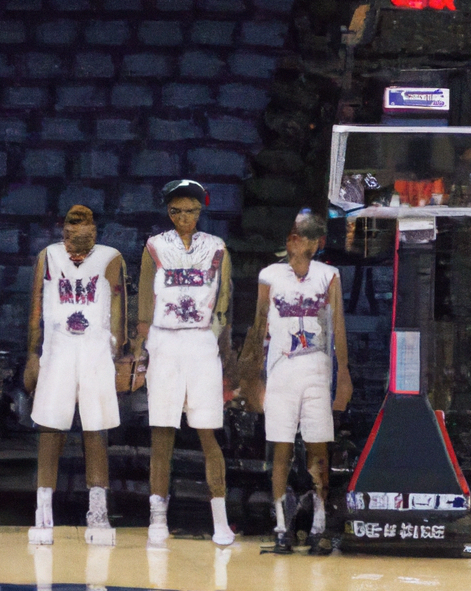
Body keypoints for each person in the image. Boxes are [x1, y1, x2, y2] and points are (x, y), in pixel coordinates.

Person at [238, 212, 352, 553]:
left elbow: (339, 329)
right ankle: (281, 527)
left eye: (306, 236)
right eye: (296, 235)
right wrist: (252, 377)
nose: (298, 241)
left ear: (317, 243)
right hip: (281, 370)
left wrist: (343, 374)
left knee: (318, 448)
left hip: (318, 369)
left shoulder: (329, 275)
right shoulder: (270, 276)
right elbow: (258, 328)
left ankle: (318, 524)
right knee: (281, 449)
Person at [133, 179, 236, 546]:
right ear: (168, 212)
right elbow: (144, 303)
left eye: (190, 210)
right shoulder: (155, 246)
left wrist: (223, 349)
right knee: (162, 433)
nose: (184, 217)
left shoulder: (217, 247)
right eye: (176, 210)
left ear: (201, 209)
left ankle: (220, 520)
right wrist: (141, 349)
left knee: (208, 433)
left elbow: (224, 302)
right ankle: (157, 517)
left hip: (201, 342)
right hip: (164, 341)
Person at [24, 205, 127, 546]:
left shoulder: (111, 257)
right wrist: (32, 355)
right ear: (63, 229)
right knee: (50, 431)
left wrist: (119, 352)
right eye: (71, 223)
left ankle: (97, 513)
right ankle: (42, 511)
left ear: (95, 230)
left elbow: (118, 309)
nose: (77, 230)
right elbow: (36, 309)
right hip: (58, 350)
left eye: (84, 224)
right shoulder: (48, 256)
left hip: (96, 351)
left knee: (95, 432)